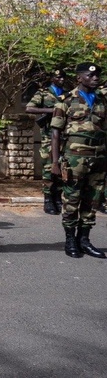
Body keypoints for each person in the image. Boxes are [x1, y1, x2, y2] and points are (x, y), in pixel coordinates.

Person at [50, 62, 106, 259]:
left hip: (99, 158)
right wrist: (55, 163)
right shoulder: (65, 101)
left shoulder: (102, 100)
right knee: (72, 200)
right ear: (79, 78)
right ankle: (70, 240)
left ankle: (84, 240)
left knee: (92, 201)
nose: (95, 78)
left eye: (97, 75)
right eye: (90, 76)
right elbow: (55, 133)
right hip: (75, 160)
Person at [25, 68, 67, 215]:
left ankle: (58, 198)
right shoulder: (43, 93)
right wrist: (52, 111)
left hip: (65, 136)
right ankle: (48, 199)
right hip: (48, 136)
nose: (61, 80)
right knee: (49, 168)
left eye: (63, 77)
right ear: (52, 79)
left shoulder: (67, 93)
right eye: (58, 77)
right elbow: (29, 108)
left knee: (63, 167)